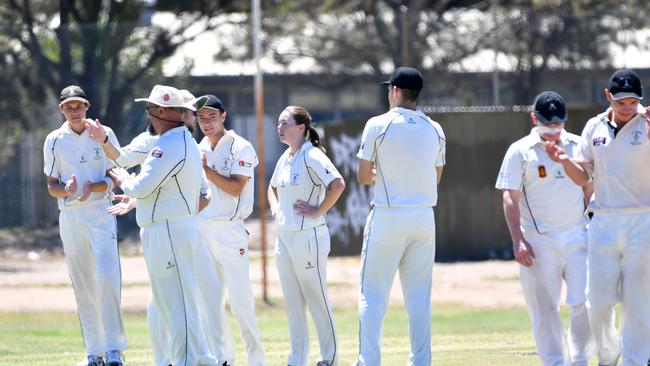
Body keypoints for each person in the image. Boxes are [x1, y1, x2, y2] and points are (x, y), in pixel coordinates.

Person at [86, 90, 229, 366]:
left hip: (168, 230)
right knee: (176, 301)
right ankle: (202, 359)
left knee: (176, 303)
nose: (148, 111)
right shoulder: (177, 140)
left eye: (151, 107)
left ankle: (187, 360)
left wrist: (125, 179)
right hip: (169, 228)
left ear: (163, 112)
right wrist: (106, 142)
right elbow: (137, 170)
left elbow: (141, 186)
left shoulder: (171, 144)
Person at [546, 69, 650, 366]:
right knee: (599, 301)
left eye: (633, 101)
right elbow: (583, 176)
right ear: (608, 97)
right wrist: (564, 161)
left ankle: (636, 360)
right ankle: (608, 352)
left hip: (642, 219)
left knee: (639, 299)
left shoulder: (648, 122)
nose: (628, 107)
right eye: (621, 102)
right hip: (603, 219)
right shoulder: (594, 127)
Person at [496, 91, 595, 366]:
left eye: (557, 124)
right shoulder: (520, 150)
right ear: (534, 118)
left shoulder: (578, 145)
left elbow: (589, 189)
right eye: (547, 124)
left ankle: (580, 361)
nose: (552, 130)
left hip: (578, 234)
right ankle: (555, 362)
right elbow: (509, 197)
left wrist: (596, 228)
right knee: (544, 308)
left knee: (584, 303)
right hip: (538, 241)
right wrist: (518, 241)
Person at [355, 66, 445, 366]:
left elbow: (363, 176)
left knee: (373, 294)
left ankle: (369, 361)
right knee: (419, 298)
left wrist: (384, 174)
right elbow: (435, 178)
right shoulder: (435, 128)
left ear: (394, 90)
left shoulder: (377, 124)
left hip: (388, 215)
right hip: (423, 216)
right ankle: (421, 362)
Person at [43, 85, 127, 366]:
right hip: (71, 215)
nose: (75, 111)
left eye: (79, 106)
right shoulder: (54, 140)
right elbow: (51, 185)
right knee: (83, 285)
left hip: (101, 212)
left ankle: (115, 350)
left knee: (107, 278)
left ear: (87, 106)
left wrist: (96, 186)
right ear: (61, 110)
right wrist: (67, 190)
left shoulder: (104, 133)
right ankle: (95, 352)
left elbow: (116, 175)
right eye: (69, 107)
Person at [267, 106, 345, 366]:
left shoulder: (312, 155)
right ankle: (297, 359)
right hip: (284, 238)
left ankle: (329, 358)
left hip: (309, 237)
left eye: (285, 122)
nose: (280, 127)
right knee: (292, 301)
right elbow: (272, 188)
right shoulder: (286, 157)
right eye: (279, 122)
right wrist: (277, 209)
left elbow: (338, 184)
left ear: (301, 127)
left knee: (316, 297)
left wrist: (318, 210)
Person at [196, 95, 267, 366]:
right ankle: (223, 358)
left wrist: (206, 169)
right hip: (203, 228)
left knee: (240, 301)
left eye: (211, 116)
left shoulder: (241, 146)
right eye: (201, 118)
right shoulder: (199, 146)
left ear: (223, 116)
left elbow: (236, 187)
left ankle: (257, 360)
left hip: (231, 229)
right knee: (210, 301)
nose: (206, 122)